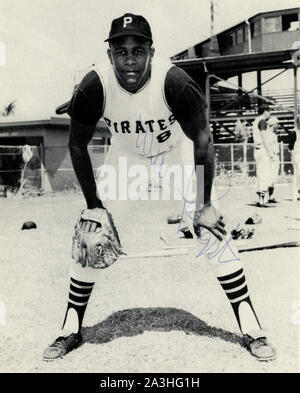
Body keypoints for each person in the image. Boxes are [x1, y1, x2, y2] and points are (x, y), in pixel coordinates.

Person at [43, 13, 276, 362]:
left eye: (138, 50)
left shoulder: (175, 82)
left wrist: (204, 203)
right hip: (126, 157)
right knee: (91, 233)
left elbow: (202, 140)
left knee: (212, 232)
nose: (130, 59)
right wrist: (94, 204)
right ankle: (69, 327)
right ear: (109, 55)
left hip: (174, 152)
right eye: (120, 51)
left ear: (152, 51)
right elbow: (76, 145)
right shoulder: (95, 85)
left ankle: (251, 326)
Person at [252, 104, 273, 207]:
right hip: (263, 149)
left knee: (260, 173)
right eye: (269, 111)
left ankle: (260, 198)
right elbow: (264, 138)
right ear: (265, 111)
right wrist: (270, 153)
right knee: (265, 173)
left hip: (257, 149)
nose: (270, 113)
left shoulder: (256, 120)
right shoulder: (262, 121)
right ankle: (263, 200)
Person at [266, 116, 280, 203]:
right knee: (269, 177)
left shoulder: (274, 134)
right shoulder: (268, 135)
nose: (278, 125)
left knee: (274, 177)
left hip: (276, 156)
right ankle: (265, 197)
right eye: (277, 124)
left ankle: (271, 196)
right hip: (271, 157)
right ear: (273, 124)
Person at [289, 117, 300, 201]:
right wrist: (293, 157)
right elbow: (291, 147)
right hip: (297, 155)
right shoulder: (294, 132)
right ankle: (295, 195)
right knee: (297, 175)